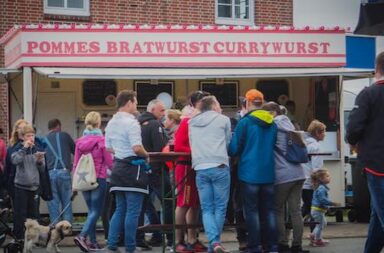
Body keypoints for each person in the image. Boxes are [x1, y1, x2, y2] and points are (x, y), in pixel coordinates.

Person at [228, 89, 278, 253]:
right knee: (269, 212)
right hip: (268, 173)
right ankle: (271, 246)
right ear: (261, 103)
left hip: (248, 173)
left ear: (248, 103)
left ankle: (254, 246)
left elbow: (234, 148)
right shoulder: (272, 123)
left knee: (252, 212)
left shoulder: (245, 122)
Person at [346, 51, 384, 253]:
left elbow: (353, 129)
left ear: (377, 69)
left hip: (377, 163)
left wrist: (352, 141)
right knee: (377, 216)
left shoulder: (369, 94)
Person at [105, 90, 149, 253]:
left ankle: (112, 244)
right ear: (129, 102)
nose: (136, 105)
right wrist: (147, 155)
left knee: (120, 209)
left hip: (117, 168)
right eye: (136, 102)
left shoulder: (111, 122)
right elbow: (137, 148)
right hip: (133, 169)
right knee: (133, 211)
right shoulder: (132, 123)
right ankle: (130, 247)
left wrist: (120, 151)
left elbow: (108, 148)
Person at [262, 102, 308, 253]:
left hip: (283, 174)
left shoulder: (272, 126)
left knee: (278, 209)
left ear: (272, 113)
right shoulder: (290, 125)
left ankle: (282, 243)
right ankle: (297, 245)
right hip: (299, 173)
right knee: (296, 211)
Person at [189, 95, 231, 253]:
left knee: (206, 208)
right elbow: (228, 142)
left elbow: (192, 143)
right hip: (219, 164)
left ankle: (214, 244)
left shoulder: (192, 122)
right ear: (213, 105)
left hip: (200, 166)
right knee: (220, 207)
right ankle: (215, 243)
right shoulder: (223, 120)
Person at [174, 90, 209, 253]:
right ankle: (178, 240)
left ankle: (192, 239)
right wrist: (198, 150)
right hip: (186, 165)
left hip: (195, 165)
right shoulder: (187, 120)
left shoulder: (198, 120)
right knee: (183, 203)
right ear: (196, 104)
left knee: (194, 204)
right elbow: (180, 145)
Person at [73, 111, 113, 252]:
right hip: (98, 178)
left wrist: (74, 183)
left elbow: (76, 163)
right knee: (96, 211)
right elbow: (109, 162)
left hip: (84, 179)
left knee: (91, 211)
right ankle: (82, 236)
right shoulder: (101, 141)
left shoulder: (79, 142)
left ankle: (93, 243)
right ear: (99, 123)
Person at [137, 99, 172, 248]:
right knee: (169, 202)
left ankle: (145, 237)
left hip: (142, 170)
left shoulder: (137, 124)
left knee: (144, 205)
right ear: (152, 110)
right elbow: (160, 148)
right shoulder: (155, 124)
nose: (164, 114)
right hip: (157, 171)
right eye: (161, 110)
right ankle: (171, 237)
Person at [11, 124, 45, 240]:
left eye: (33, 135)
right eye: (28, 135)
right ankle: (19, 238)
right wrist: (24, 148)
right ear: (23, 137)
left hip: (34, 186)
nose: (31, 138)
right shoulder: (18, 148)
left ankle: (34, 239)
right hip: (21, 186)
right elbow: (15, 160)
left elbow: (42, 169)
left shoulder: (36, 149)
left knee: (34, 214)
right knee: (21, 215)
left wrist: (40, 161)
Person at [44, 118, 75, 224]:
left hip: (50, 173)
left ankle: (55, 229)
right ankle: (67, 227)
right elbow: (75, 150)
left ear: (49, 128)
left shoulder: (44, 140)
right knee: (66, 202)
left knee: (53, 203)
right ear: (58, 126)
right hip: (64, 172)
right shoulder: (65, 136)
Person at [301, 120, 326, 223]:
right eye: (323, 131)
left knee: (307, 207)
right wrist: (320, 183)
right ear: (317, 132)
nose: (325, 134)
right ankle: (315, 235)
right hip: (311, 183)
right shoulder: (316, 147)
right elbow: (316, 168)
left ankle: (291, 225)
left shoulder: (305, 144)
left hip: (303, 181)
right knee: (314, 210)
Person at [309, 169, 340, 247]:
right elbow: (322, 199)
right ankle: (317, 240)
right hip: (317, 210)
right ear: (321, 179)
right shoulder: (321, 188)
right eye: (327, 176)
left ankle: (313, 236)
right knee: (320, 224)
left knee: (322, 223)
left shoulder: (321, 187)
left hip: (318, 210)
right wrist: (332, 203)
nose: (329, 177)